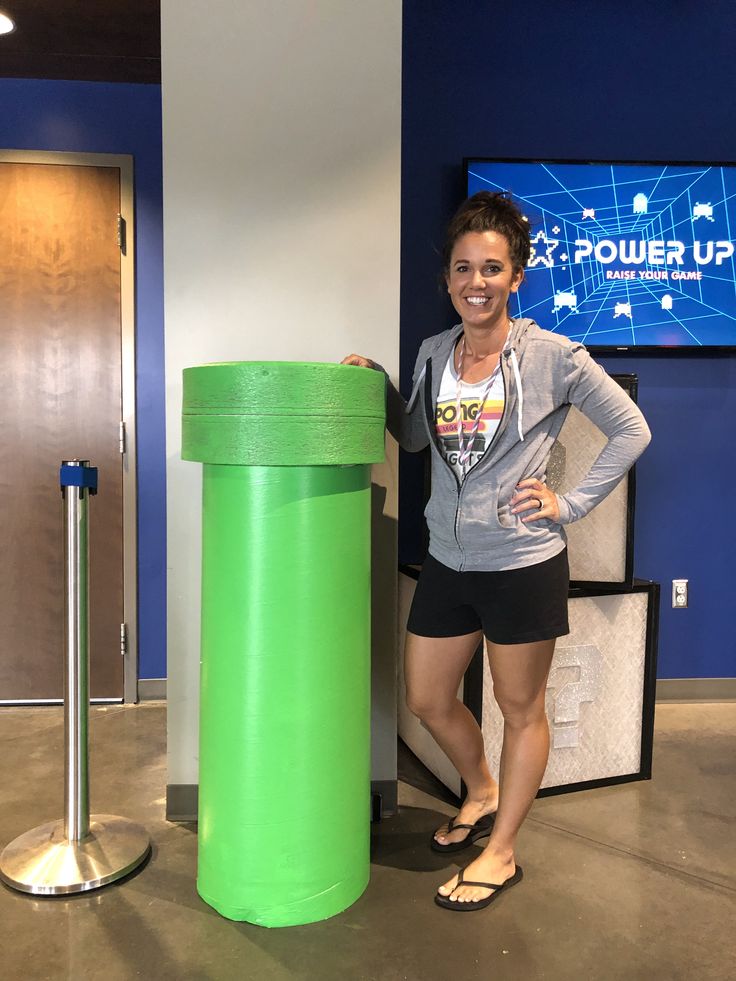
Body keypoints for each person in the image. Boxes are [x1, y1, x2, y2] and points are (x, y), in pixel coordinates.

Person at [342, 191, 651, 913]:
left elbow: (631, 430)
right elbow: (416, 438)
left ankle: (502, 848)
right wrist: (381, 387)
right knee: (426, 697)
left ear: (516, 276)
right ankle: (479, 788)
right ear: (447, 278)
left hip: (522, 563)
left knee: (521, 709)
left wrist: (568, 504)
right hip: (450, 557)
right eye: (462, 268)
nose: (475, 282)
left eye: (491, 268)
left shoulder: (554, 356)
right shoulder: (433, 352)